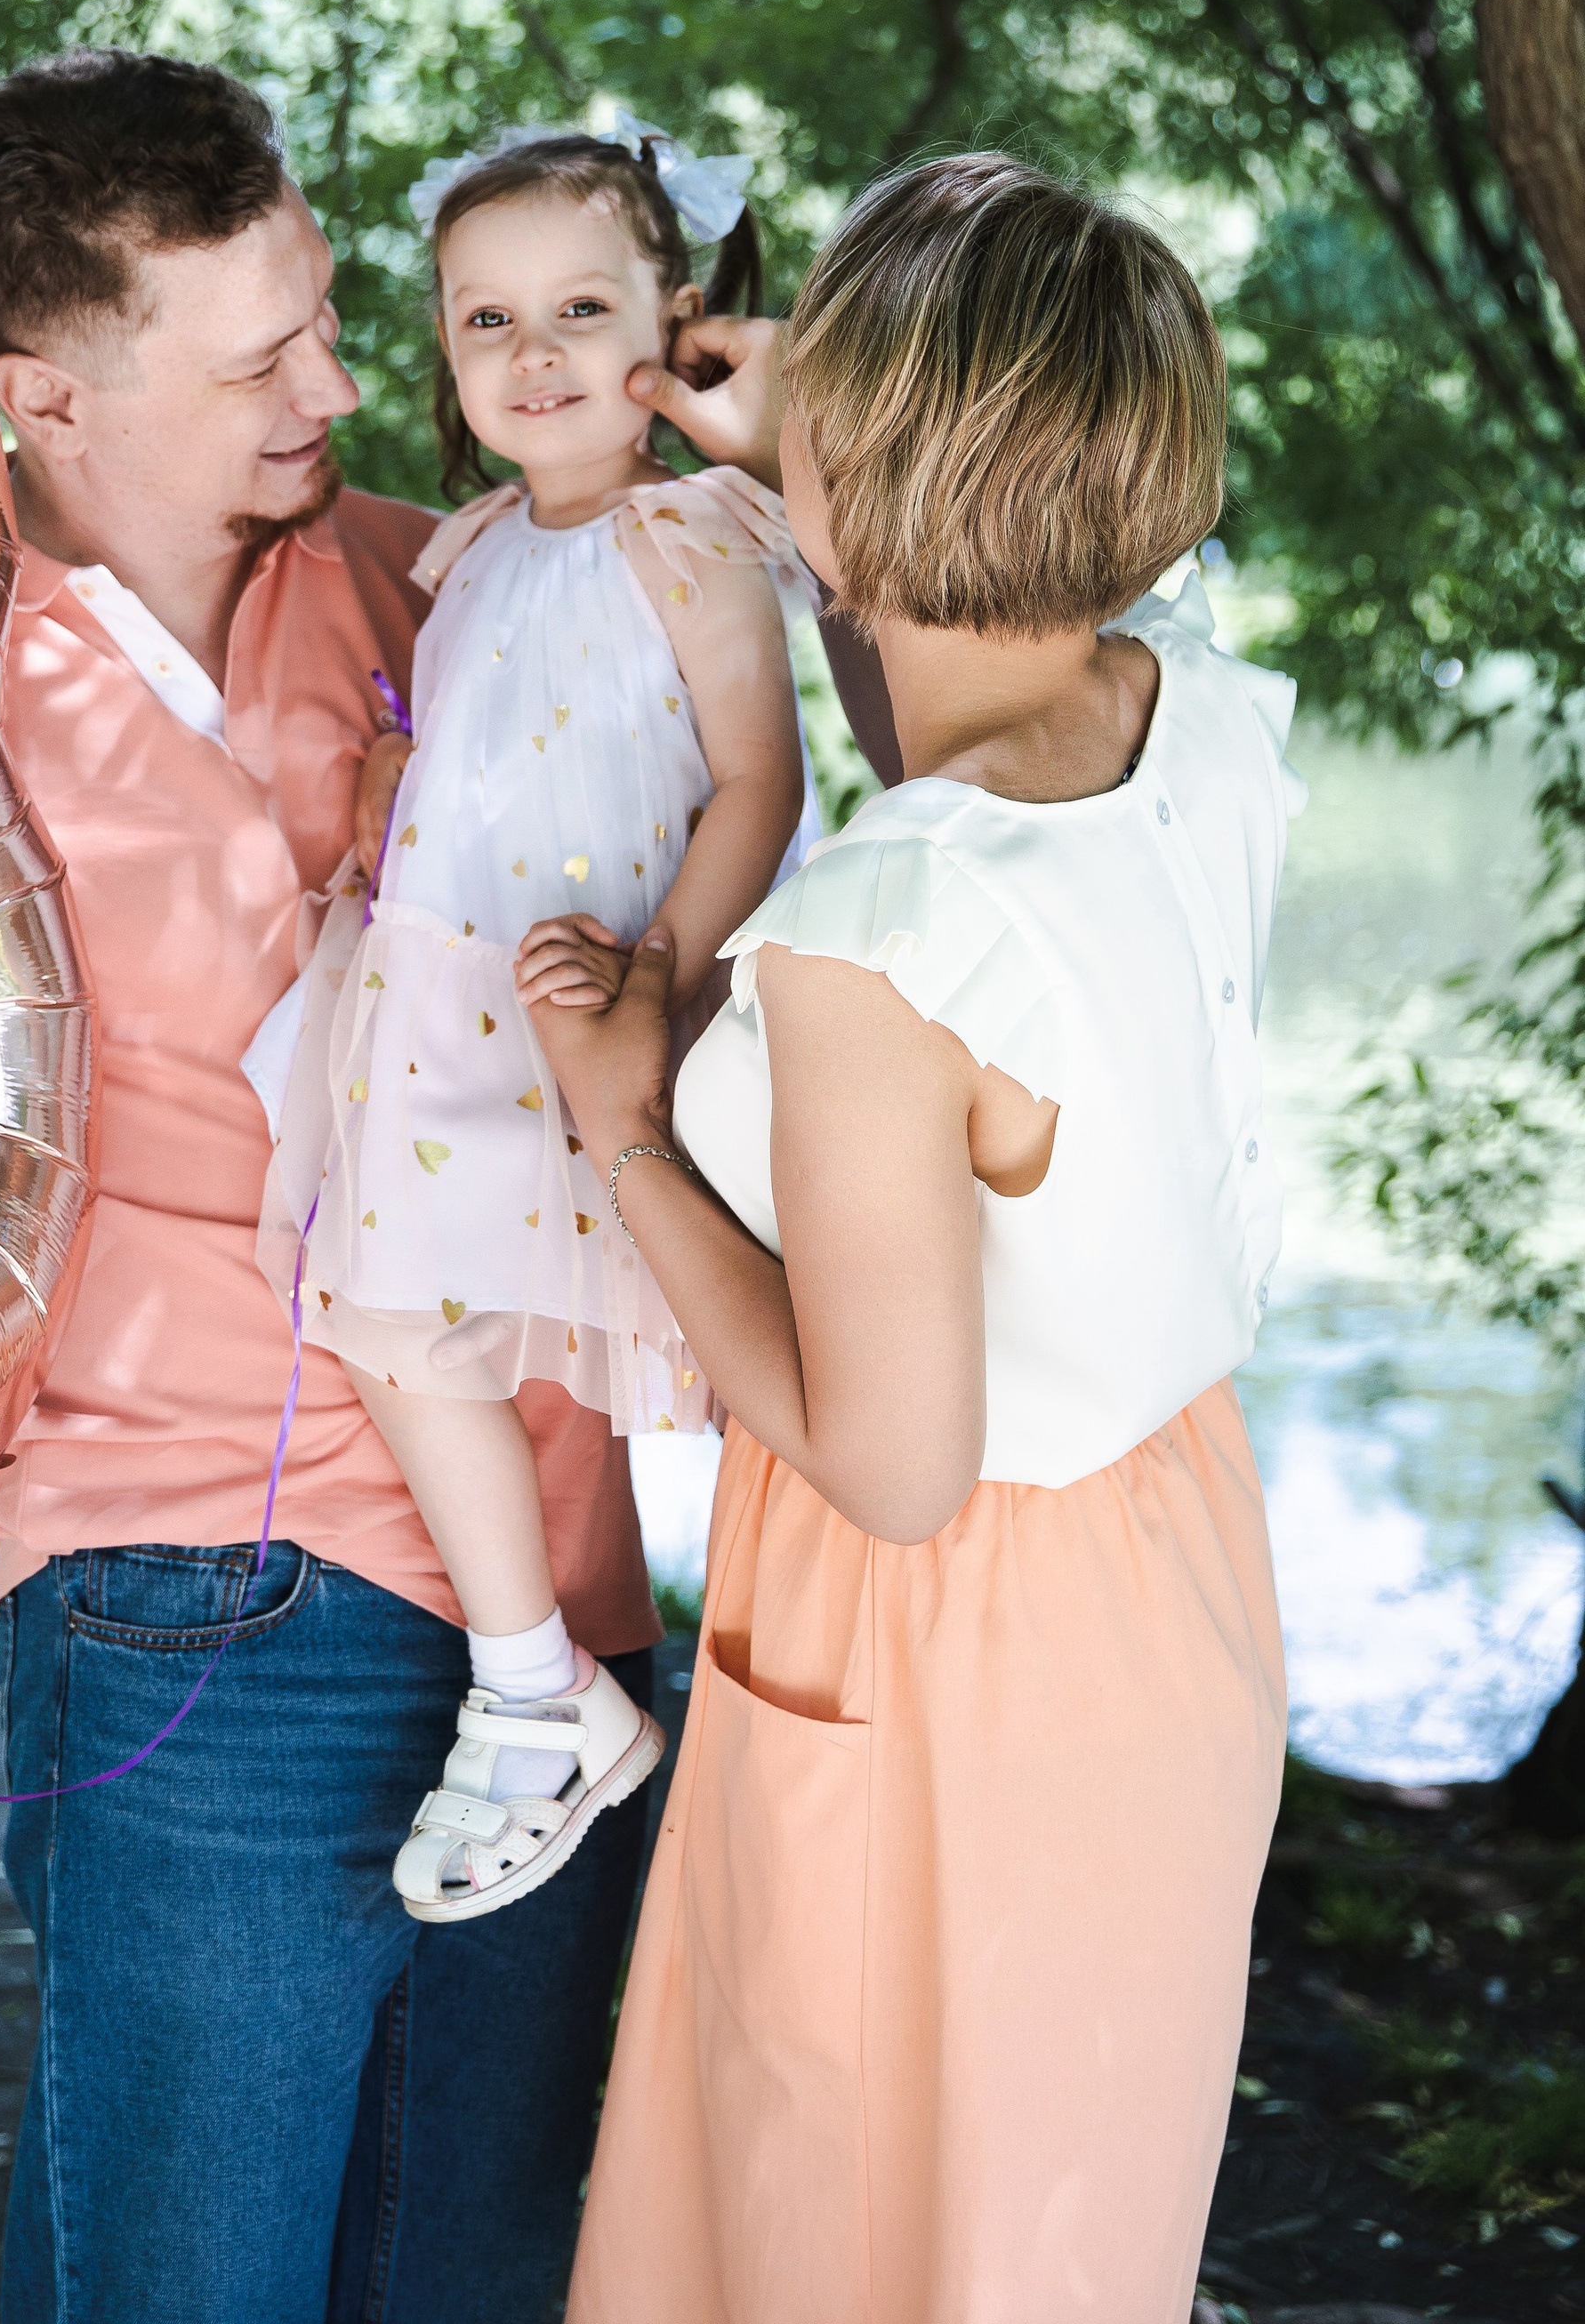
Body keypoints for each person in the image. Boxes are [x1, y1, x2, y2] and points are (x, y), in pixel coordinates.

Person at [0, 54, 826, 2324]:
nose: (336, 385)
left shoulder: (471, 573)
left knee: (470, 2288)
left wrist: (781, 433)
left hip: (553, 1604)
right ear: (39, 397)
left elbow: (827, 742)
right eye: (256, 363)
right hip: (193, 1614)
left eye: (324, 320)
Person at [527, 153, 1294, 2324]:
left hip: (949, 1629)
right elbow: (965, 720)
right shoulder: (1192, 718)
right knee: (1056, 2213)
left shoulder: (877, 936)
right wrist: (836, 464)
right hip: (1171, 1565)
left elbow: (888, 1462)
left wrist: (628, 1141)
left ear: (842, 499)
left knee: (837, 2212)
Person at [257, 123, 813, 1924]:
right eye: (486, 319)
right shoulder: (474, 546)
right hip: (442, 1008)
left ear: (676, 314)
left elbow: (754, 781)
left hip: (591, 1017)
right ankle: (530, 1688)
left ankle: (695, 1723)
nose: (536, 351)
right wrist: (400, 792)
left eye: (582, 307)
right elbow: (487, 755)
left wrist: (660, 973)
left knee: (711, 1364)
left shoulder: (693, 535)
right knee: (387, 1321)